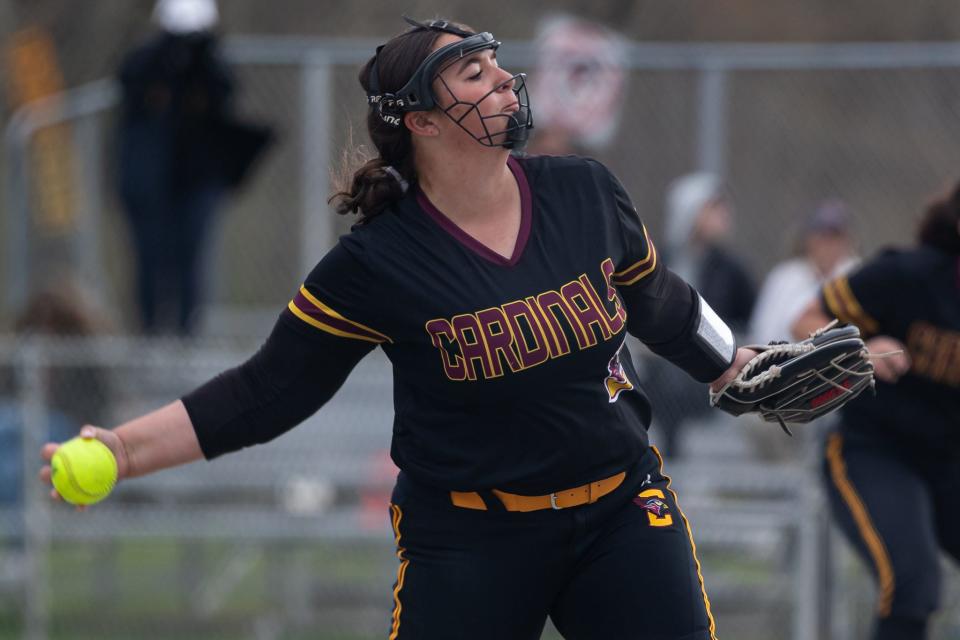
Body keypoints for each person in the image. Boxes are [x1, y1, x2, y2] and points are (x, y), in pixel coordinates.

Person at [44, 18, 758, 639]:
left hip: (620, 511)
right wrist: (122, 452)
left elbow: (658, 300)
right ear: (420, 121)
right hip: (471, 541)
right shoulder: (378, 262)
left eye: (498, 64)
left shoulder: (584, 191)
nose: (507, 80)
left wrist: (735, 367)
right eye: (474, 74)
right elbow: (268, 391)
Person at [792, 182, 960, 640]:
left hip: (947, 460)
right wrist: (861, 346)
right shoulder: (907, 275)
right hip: (872, 452)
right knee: (913, 584)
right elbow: (805, 318)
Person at [116, 0, 271, 336]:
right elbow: (130, 81)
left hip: (197, 181)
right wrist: (165, 51)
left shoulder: (212, 67)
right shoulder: (145, 66)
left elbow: (224, 92)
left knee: (192, 257)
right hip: (151, 183)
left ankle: (188, 333)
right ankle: (150, 332)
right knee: (150, 258)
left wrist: (203, 53)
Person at [642, 173, 756, 457]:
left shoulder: (730, 268)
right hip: (658, 371)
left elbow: (751, 318)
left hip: (711, 368)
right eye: (712, 209)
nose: (722, 217)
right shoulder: (658, 260)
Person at [749, 198, 859, 345]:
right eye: (822, 236)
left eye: (835, 236)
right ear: (808, 239)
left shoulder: (856, 275)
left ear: (847, 240)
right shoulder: (784, 277)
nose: (828, 244)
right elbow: (762, 333)